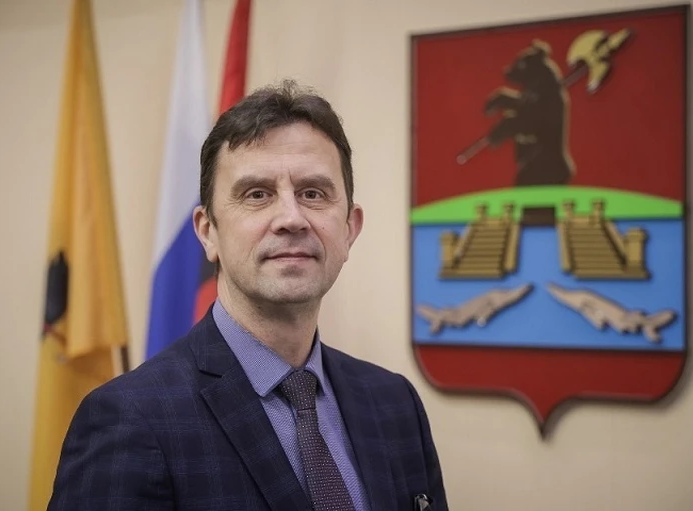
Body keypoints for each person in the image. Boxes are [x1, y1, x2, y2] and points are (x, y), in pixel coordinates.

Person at [47, 79, 448, 511]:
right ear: (208, 232)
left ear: (350, 228)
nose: (291, 218)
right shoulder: (130, 418)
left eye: (313, 193)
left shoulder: (395, 404)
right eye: (257, 194)